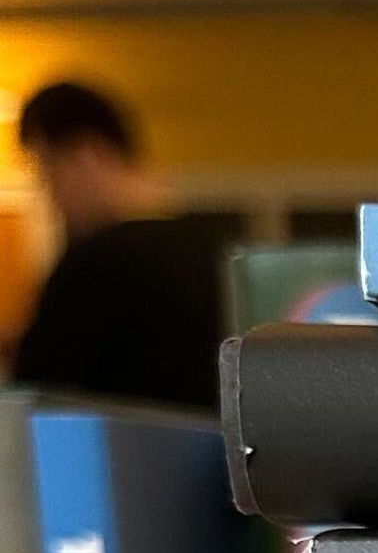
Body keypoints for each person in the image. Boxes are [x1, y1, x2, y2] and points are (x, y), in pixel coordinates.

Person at [11, 81, 228, 411]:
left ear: (86, 156)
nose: (51, 196)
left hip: (123, 444)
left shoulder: (96, 261)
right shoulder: (213, 248)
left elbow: (35, 398)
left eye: (48, 170)